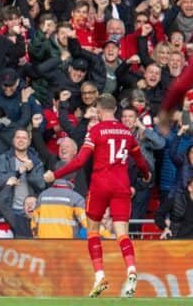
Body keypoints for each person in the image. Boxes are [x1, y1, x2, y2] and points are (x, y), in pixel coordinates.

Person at [44, 94, 151, 298]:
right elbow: (140, 160)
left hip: (100, 186)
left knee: (93, 231)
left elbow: (78, 161)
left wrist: (54, 174)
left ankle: (100, 276)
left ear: (100, 111)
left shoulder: (95, 131)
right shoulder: (127, 133)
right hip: (121, 186)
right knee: (122, 234)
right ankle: (131, 270)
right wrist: (146, 175)